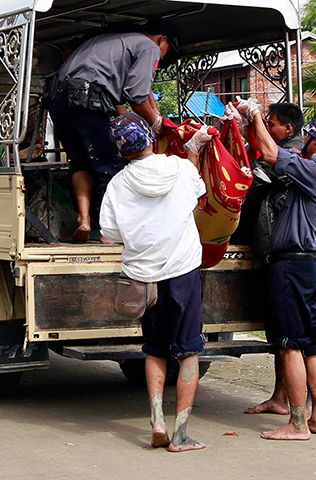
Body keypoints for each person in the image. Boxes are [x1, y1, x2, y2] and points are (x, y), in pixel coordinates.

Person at [100, 113, 211, 452]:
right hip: (183, 273)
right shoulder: (179, 168)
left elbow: (109, 235)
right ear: (150, 138)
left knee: (155, 350)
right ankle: (180, 434)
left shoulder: (117, 185)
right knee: (188, 351)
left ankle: (157, 420)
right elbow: (198, 196)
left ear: (121, 152)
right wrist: (193, 148)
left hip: (144, 279)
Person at [240, 103, 316, 440]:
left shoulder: (315, 170)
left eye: (308, 137)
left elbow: (271, 154)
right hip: (306, 265)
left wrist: (256, 114)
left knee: (290, 346)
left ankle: (298, 424)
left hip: (291, 265)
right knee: (310, 344)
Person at [48, 19, 179, 241]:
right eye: (166, 53)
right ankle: (111, 231)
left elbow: (120, 102)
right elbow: (137, 97)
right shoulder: (149, 47)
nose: (162, 57)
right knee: (112, 164)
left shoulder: (114, 42)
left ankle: (85, 220)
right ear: (162, 40)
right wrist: (155, 124)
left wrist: (138, 122)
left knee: (80, 161)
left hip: (58, 100)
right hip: (86, 100)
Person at [244, 102, 305, 416]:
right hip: (277, 254)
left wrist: (253, 118)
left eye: (271, 123)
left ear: (288, 130)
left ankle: (300, 413)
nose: (267, 127)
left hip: (286, 256)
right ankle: (280, 397)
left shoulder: (292, 157)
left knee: (289, 338)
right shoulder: (287, 151)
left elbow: (255, 174)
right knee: (280, 335)